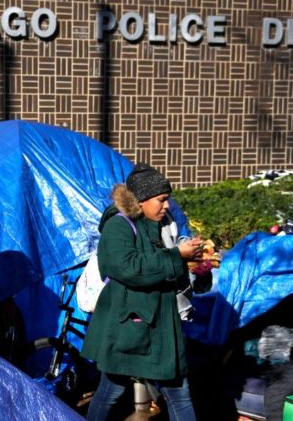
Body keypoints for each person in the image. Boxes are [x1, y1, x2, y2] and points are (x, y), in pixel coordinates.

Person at [81, 163, 203, 421]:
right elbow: (127, 268)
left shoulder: (163, 225)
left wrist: (195, 265)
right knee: (110, 391)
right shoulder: (119, 225)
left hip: (161, 325)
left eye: (167, 200)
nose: (167, 206)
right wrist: (176, 257)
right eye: (161, 200)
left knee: (179, 394)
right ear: (142, 199)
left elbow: (165, 265)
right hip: (128, 326)